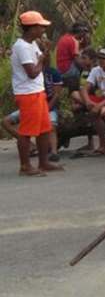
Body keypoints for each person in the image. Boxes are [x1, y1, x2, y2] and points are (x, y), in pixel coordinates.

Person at [10, 11, 62, 176]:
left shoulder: (32, 44)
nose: (43, 30)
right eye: (40, 27)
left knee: (44, 129)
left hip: (37, 91)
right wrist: (41, 59)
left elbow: (44, 64)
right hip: (27, 93)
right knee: (26, 131)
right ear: (31, 28)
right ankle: (25, 166)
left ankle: (43, 162)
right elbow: (32, 72)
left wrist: (46, 52)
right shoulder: (22, 47)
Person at [3, 65, 64, 163]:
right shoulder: (27, 73)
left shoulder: (53, 72)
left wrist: (47, 107)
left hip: (48, 106)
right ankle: (31, 145)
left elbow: (57, 94)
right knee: (6, 121)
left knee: (51, 126)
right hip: (31, 106)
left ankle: (54, 152)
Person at [56, 22, 89, 87]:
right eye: (84, 33)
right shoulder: (73, 41)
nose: (84, 35)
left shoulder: (65, 37)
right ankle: (76, 87)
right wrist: (88, 68)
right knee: (83, 64)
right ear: (81, 32)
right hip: (66, 71)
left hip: (59, 68)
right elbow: (77, 61)